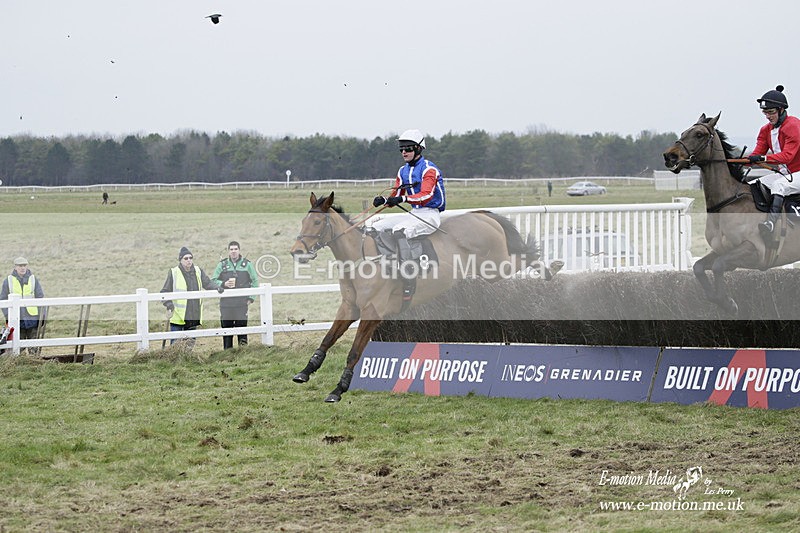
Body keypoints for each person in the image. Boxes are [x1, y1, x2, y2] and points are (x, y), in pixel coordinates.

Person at [370, 129, 446, 262]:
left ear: (418, 149)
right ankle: (384, 261)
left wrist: (403, 199)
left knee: (399, 231)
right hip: (413, 213)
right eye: (401, 149)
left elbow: (426, 195)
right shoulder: (402, 171)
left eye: (408, 148)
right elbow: (397, 194)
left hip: (430, 215)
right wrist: (385, 200)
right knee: (376, 227)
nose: (404, 152)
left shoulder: (429, 169)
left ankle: (407, 268)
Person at [747, 85, 800, 238]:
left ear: (781, 110)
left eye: (771, 112)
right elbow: (757, 154)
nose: (768, 116)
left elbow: (787, 156)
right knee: (753, 185)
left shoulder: (793, 125)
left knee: (779, 185)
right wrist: (738, 161)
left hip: (797, 173)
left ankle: (770, 224)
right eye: (765, 113)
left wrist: (763, 159)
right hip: (785, 173)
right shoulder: (765, 130)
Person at [160, 246, 223, 349]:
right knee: (175, 347)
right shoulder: (174, 272)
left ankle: (187, 362)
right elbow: (164, 292)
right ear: (180, 260)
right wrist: (168, 303)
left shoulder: (198, 271)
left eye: (190, 258)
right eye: (186, 258)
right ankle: (173, 363)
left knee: (189, 345)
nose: (189, 260)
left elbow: (207, 283)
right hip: (178, 317)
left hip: (193, 315)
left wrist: (217, 288)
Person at [212, 241, 259, 349]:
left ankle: (243, 353)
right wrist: (223, 284)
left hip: (241, 303)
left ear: (239, 250)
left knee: (242, 328)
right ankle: (227, 354)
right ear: (228, 251)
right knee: (227, 330)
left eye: (235, 249)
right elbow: (213, 280)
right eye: (231, 249)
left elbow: (255, 281)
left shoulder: (247, 264)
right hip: (226, 304)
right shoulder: (222, 265)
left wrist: (251, 298)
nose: (233, 251)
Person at [1, 257, 45, 354]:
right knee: (17, 349)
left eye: (24, 265)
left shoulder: (33, 280)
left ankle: (35, 366)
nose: (22, 268)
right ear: (15, 267)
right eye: (20, 266)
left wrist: (42, 317)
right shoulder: (8, 281)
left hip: (32, 319)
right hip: (17, 320)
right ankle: (18, 367)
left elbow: (41, 298)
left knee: (33, 348)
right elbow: (3, 300)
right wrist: (9, 317)